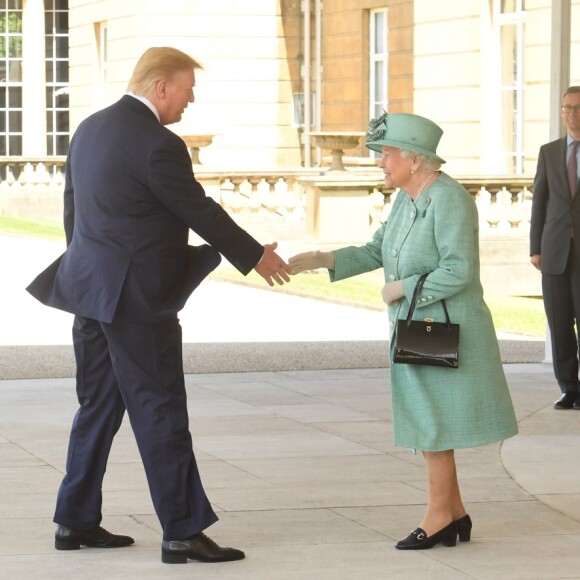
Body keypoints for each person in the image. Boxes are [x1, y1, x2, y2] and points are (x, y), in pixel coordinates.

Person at [26, 47, 292, 565]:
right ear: (160, 86)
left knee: (97, 407)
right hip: (136, 302)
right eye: (188, 89)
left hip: (90, 291)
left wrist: (89, 274)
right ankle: (182, 531)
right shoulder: (158, 144)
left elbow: (73, 214)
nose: (191, 99)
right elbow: (197, 210)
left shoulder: (90, 129)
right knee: (161, 407)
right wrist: (255, 255)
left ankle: (74, 520)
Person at [289, 112, 518, 550]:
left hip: (447, 327)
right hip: (420, 324)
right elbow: (378, 248)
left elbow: (459, 269)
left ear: (416, 160)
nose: (380, 163)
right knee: (430, 417)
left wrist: (403, 287)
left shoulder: (449, 199)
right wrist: (324, 259)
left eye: (386, 154)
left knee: (433, 422)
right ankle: (454, 513)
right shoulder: (407, 199)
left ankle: (437, 517)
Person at [530, 86, 580, 410]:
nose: (571, 113)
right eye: (566, 108)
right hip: (554, 252)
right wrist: (535, 247)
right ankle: (569, 389)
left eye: (576, 107)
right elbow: (539, 202)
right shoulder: (549, 152)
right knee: (559, 323)